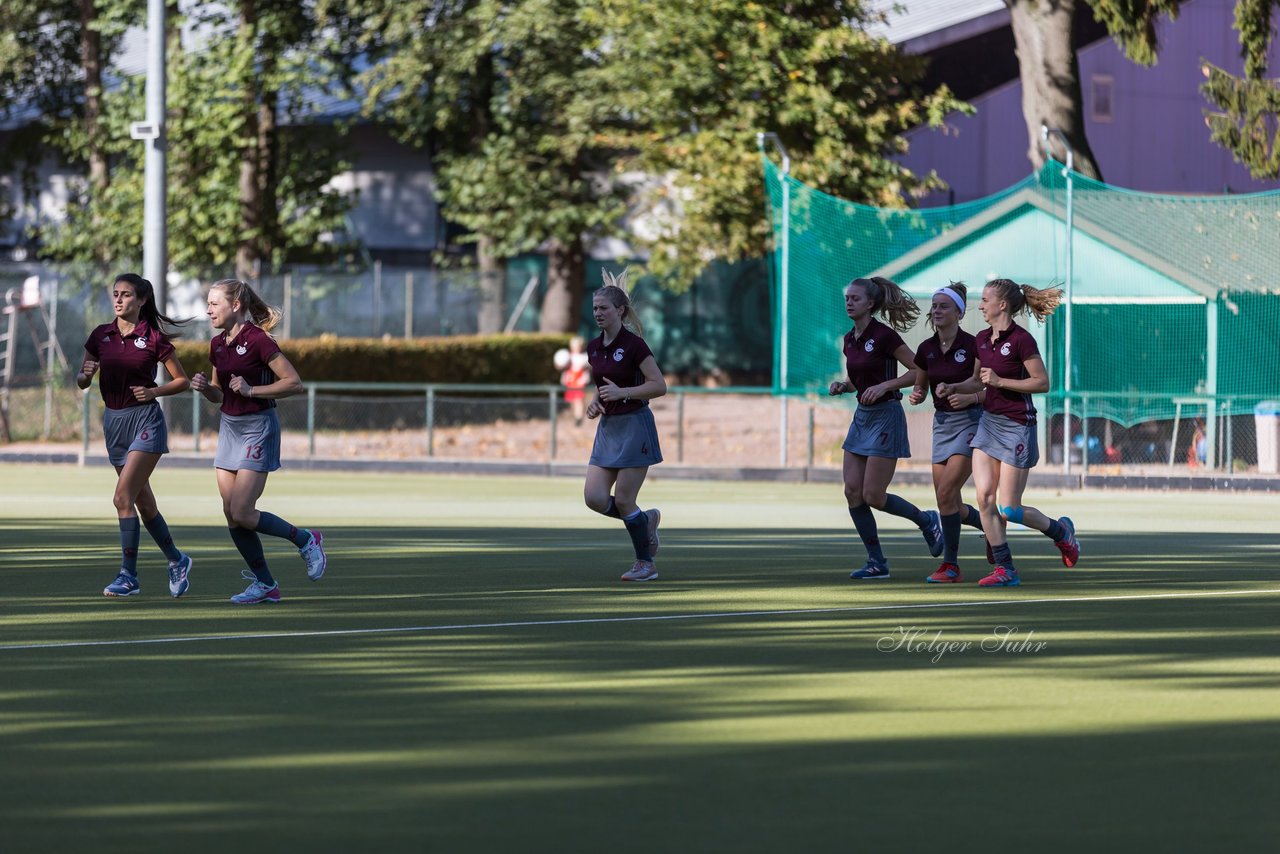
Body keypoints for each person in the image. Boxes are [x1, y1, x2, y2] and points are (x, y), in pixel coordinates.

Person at [189, 278, 327, 604]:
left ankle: (306, 539)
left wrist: (252, 390)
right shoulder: (217, 344)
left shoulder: (259, 340)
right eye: (207, 303)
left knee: (243, 511)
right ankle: (266, 583)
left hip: (258, 427)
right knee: (230, 512)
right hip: (230, 428)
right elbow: (219, 393)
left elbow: (294, 383)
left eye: (214, 303)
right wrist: (205, 389)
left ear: (235, 305)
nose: (208, 309)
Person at [936, 278, 1080, 587]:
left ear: (1002, 305)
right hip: (988, 424)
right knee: (984, 499)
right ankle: (1005, 568)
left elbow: (1042, 382)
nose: (981, 305)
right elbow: (978, 381)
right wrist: (954, 386)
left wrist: (1001, 382)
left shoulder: (1022, 340)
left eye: (986, 299)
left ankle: (1060, 531)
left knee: (1009, 508)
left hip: (1017, 426)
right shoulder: (982, 339)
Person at [77, 273, 195, 598]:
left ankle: (128, 576)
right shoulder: (100, 335)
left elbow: (181, 381)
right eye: (115, 294)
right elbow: (82, 379)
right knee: (142, 501)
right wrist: (84, 376)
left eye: (126, 295)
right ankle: (177, 559)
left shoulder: (154, 338)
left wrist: (154, 391)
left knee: (121, 498)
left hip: (145, 421)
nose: (118, 300)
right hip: (113, 423)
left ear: (141, 300)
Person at [830, 276, 943, 580]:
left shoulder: (884, 335)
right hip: (862, 416)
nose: (849, 302)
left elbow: (919, 369)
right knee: (852, 492)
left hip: (886, 416)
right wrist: (844, 385)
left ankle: (927, 520)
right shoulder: (849, 339)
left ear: (870, 303)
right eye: (847, 298)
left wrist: (886, 386)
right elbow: (861, 376)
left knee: (874, 496)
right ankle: (876, 561)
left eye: (855, 298)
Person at [582, 269, 666, 582]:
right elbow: (603, 383)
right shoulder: (593, 347)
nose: (597, 313)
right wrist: (596, 401)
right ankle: (645, 522)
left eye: (603, 308)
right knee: (594, 498)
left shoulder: (635, 345)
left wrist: (624, 393)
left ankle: (646, 564)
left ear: (620, 311)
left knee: (625, 499)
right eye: (594, 308)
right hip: (608, 428)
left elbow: (659, 385)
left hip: (635, 427)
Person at [907, 282, 989, 583]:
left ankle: (951, 566)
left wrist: (956, 389)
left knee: (946, 492)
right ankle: (990, 527)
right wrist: (917, 394)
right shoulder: (926, 348)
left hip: (970, 420)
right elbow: (921, 383)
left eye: (944, 306)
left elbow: (980, 383)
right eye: (935, 305)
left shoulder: (972, 344)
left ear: (959, 312)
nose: (937, 310)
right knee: (946, 501)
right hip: (941, 424)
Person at [560, 336, 591, 426]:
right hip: (571, 382)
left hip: (579, 382)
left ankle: (579, 417)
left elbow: (585, 369)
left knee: (579, 400)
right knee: (573, 400)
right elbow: (565, 369)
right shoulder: (568, 356)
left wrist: (584, 378)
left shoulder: (583, 357)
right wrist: (565, 378)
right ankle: (576, 416)